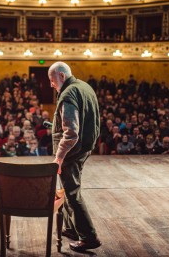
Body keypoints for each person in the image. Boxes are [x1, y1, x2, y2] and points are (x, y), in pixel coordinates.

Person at [48, 61, 101, 252]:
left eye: (52, 79)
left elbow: (71, 132)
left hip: (71, 152)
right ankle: (71, 228)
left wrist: (59, 157)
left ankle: (89, 237)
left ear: (61, 76)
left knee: (72, 193)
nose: (51, 84)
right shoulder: (84, 87)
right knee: (70, 189)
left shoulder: (69, 93)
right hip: (84, 148)